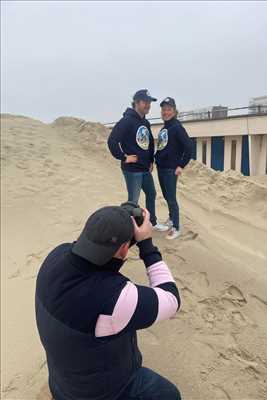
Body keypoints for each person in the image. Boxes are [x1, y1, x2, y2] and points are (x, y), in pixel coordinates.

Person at [35, 204, 181, 400]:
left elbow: (90, 255)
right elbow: (171, 299)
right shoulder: (115, 298)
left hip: (62, 385)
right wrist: (146, 244)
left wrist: (119, 236)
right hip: (101, 393)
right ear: (123, 249)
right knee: (169, 395)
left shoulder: (55, 256)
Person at [107, 89, 168, 231]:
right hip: (132, 170)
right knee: (133, 201)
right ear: (136, 102)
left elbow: (149, 142)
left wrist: (151, 160)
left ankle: (151, 222)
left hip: (145, 168)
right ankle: (129, 230)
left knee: (151, 193)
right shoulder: (126, 121)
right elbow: (112, 141)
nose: (148, 105)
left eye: (149, 103)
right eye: (145, 102)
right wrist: (124, 157)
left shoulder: (145, 122)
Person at [155, 97, 192, 240]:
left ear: (174, 111)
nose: (166, 112)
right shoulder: (165, 128)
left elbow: (188, 147)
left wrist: (181, 165)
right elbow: (162, 147)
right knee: (166, 196)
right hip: (161, 168)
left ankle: (176, 227)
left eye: (169, 109)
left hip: (171, 169)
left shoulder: (177, 127)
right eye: (163, 110)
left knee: (171, 198)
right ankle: (171, 219)